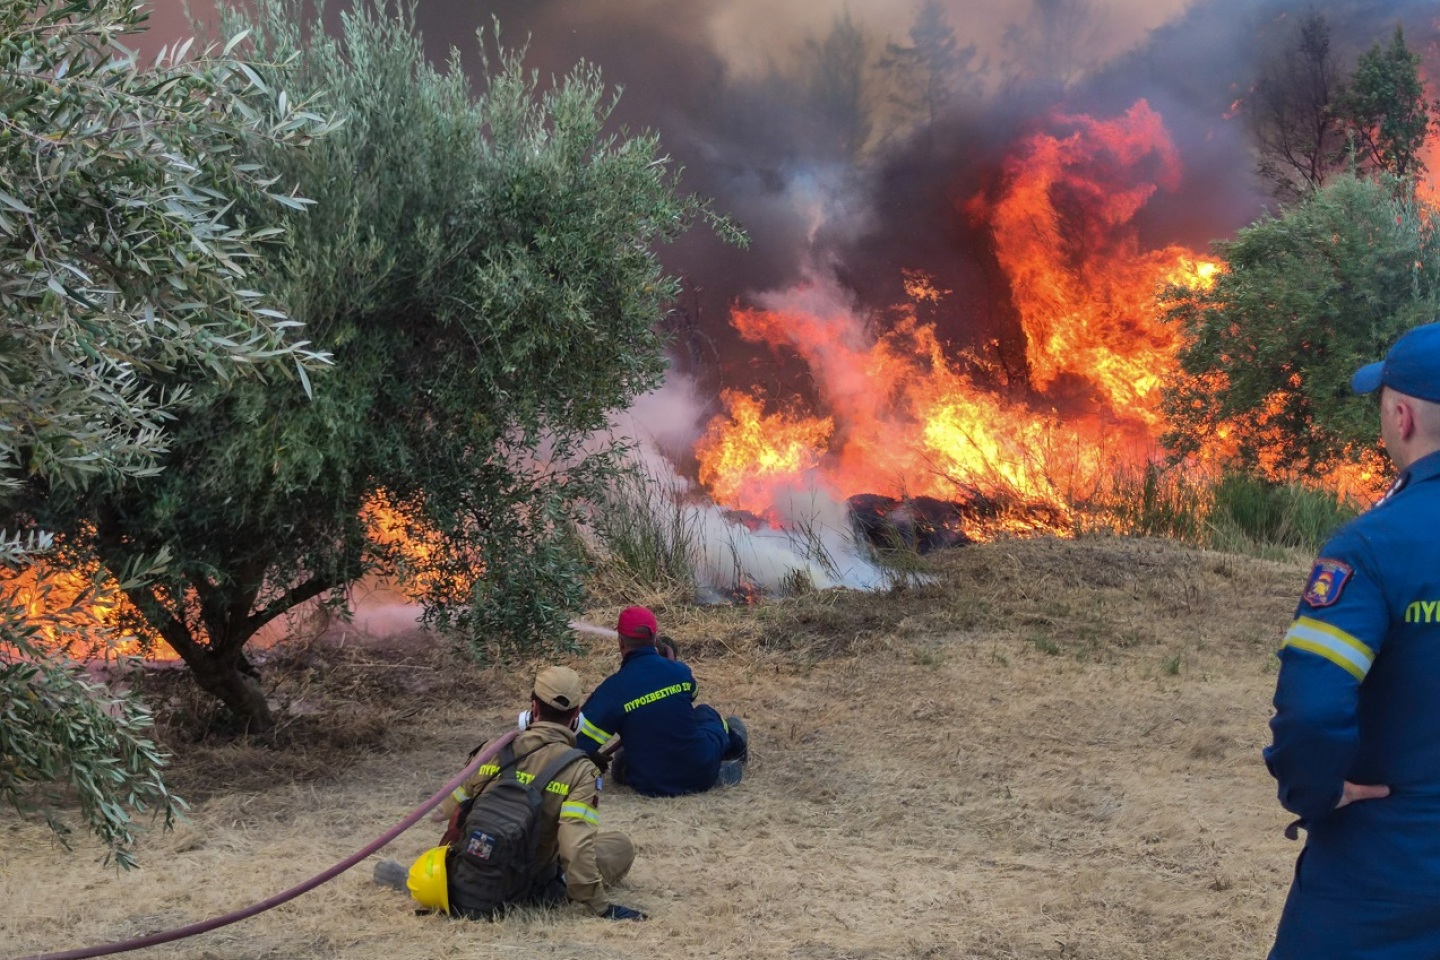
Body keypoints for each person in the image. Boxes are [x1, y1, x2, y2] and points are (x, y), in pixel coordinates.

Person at [1265, 321, 1440, 958]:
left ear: (1402, 416)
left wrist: (1315, 792)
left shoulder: (1370, 548)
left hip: (1386, 870)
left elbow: (1312, 709)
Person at [374, 666, 645, 921]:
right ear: (576, 717)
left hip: (474, 868)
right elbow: (574, 845)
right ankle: (556, 886)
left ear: (533, 707)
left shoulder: (494, 749)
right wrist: (599, 905)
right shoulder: (580, 771)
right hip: (529, 882)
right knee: (620, 845)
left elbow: (449, 810)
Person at [577, 605, 748, 797]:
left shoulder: (611, 691)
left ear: (620, 642)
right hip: (701, 771)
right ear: (655, 638)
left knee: (624, 759)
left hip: (650, 782)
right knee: (705, 713)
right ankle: (737, 750)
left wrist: (591, 756)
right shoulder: (679, 671)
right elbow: (692, 693)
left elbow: (578, 741)